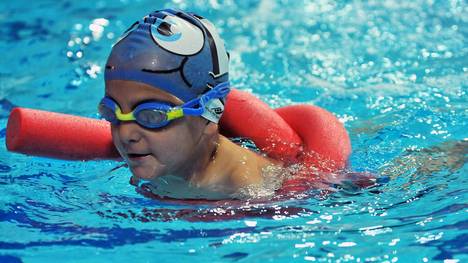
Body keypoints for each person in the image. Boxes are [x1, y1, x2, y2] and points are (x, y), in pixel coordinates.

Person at [99, 9, 281, 200]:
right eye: (111, 111)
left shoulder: (248, 187)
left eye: (152, 116)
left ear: (208, 112)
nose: (125, 134)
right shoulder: (154, 158)